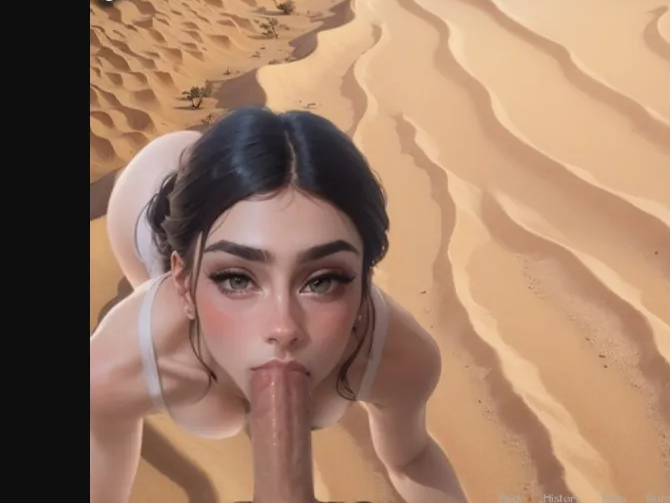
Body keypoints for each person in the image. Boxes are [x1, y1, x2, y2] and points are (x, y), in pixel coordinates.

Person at [90, 106, 467, 503]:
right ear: (184, 283)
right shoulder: (113, 372)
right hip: (144, 197)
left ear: (365, 285)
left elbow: (412, 459)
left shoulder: (403, 361)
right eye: (237, 279)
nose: (283, 327)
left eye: (322, 281)